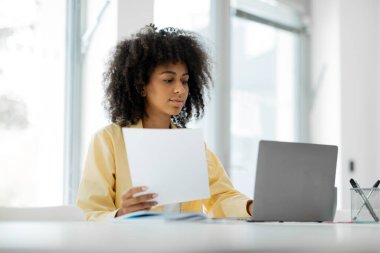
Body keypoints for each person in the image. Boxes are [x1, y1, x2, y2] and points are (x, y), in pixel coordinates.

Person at [76, 24, 253, 221]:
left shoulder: (191, 144)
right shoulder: (108, 140)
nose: (180, 89)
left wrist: (252, 206)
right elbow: (89, 213)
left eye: (184, 81)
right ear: (141, 85)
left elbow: (222, 196)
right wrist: (121, 214)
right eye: (168, 80)